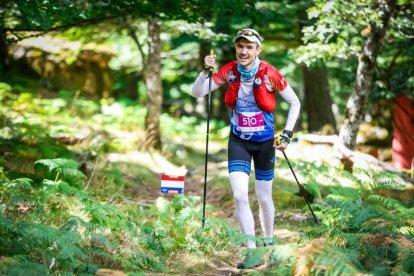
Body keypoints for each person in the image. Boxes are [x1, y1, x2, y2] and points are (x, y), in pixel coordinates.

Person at [191, 28, 300, 268]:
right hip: (238, 140)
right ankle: (251, 251)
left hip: (264, 143)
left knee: (264, 198)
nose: (244, 51)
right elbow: (197, 92)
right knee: (240, 195)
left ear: (258, 50)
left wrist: (287, 135)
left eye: (249, 47)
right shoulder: (229, 70)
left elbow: (294, 102)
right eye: (240, 46)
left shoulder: (270, 73)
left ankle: (269, 244)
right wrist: (204, 72)